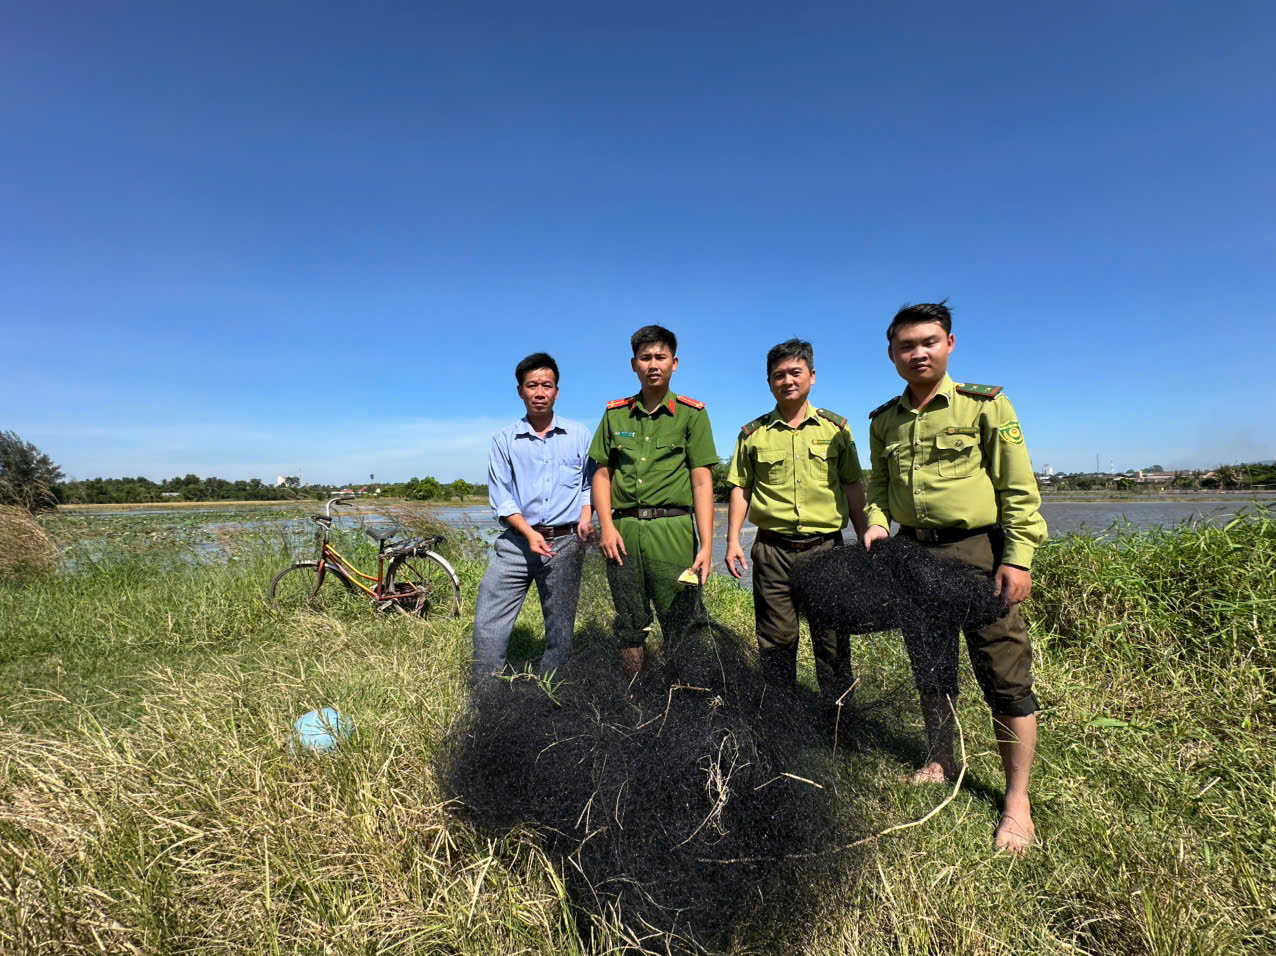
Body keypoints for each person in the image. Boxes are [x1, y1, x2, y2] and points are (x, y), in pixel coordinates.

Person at [862, 301, 1047, 854]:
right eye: (906, 345)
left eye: (929, 342)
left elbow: (1017, 487)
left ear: (949, 344)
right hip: (913, 555)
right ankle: (940, 759)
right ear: (892, 353)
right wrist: (874, 525)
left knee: (1005, 675)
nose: (918, 353)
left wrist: (1017, 557)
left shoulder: (985, 406)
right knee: (931, 666)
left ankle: (1017, 800)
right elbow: (877, 491)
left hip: (977, 553)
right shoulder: (883, 420)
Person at [723, 339, 868, 705]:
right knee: (776, 640)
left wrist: (866, 538)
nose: (787, 380)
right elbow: (741, 487)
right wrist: (732, 541)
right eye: (778, 375)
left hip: (826, 550)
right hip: (772, 553)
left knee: (832, 639)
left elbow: (852, 484)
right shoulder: (753, 435)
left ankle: (838, 723)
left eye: (795, 372)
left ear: (812, 376)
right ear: (769, 382)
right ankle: (782, 720)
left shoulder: (837, 430)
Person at [589, 325, 717, 678]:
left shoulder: (692, 414)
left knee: (682, 622)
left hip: (673, 530)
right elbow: (601, 473)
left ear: (674, 363)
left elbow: (702, 480)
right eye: (645, 358)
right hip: (624, 532)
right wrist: (607, 527)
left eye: (660, 357)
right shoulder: (616, 414)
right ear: (634, 365)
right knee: (629, 622)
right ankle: (634, 698)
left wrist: (707, 545)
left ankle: (686, 699)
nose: (653, 364)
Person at [471, 353, 594, 687]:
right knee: (489, 620)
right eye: (532, 385)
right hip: (516, 543)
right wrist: (527, 532)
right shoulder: (504, 441)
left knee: (560, 626)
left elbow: (588, 485)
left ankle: (550, 693)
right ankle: (486, 695)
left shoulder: (580, 435)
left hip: (566, 542)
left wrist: (586, 517)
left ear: (556, 391)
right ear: (520, 391)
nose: (540, 392)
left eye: (547, 385)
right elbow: (502, 496)